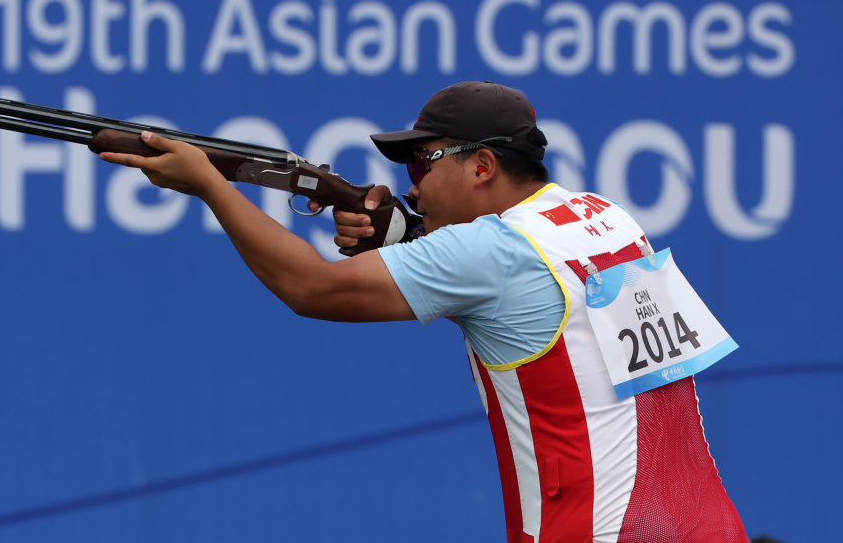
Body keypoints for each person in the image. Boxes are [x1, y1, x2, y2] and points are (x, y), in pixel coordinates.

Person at [99, 81, 748, 542]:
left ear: (483, 166)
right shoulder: (603, 218)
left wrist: (211, 185)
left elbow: (312, 289)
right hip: (709, 528)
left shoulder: (491, 252)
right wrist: (405, 235)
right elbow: (531, 283)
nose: (410, 182)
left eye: (421, 160)